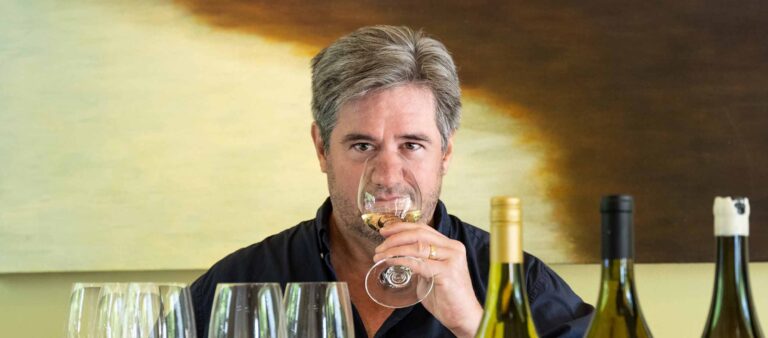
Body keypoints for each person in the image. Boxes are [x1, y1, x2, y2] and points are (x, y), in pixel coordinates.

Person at [190, 25, 593, 338]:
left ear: (446, 153)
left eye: (412, 145)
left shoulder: (518, 283)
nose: (387, 176)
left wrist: (474, 325)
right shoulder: (239, 283)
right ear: (321, 149)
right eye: (362, 145)